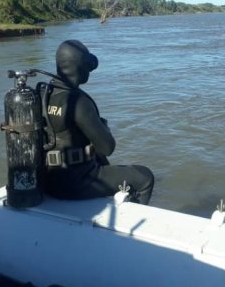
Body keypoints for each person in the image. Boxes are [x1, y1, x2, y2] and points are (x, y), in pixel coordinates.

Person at [41, 40, 154, 204]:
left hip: (46, 179)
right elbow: (108, 148)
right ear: (81, 66)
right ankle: (128, 223)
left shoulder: (43, 94)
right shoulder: (78, 102)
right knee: (144, 177)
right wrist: (104, 127)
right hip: (74, 183)